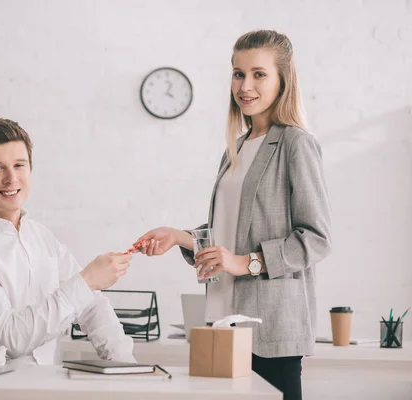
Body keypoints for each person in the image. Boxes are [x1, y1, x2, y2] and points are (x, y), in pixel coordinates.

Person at [132, 30, 331, 400]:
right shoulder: (236, 149)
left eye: (259, 74)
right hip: (221, 321)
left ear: (283, 79)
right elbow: (229, 231)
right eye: (238, 74)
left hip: (270, 331)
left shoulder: (295, 143)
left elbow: (316, 239)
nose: (245, 85)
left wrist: (246, 263)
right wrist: (179, 236)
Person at [0, 116, 135, 367]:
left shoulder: (40, 236)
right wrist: (87, 281)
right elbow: (8, 339)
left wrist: (126, 366)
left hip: (48, 385)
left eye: (19, 165)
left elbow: (92, 306)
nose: (11, 179)